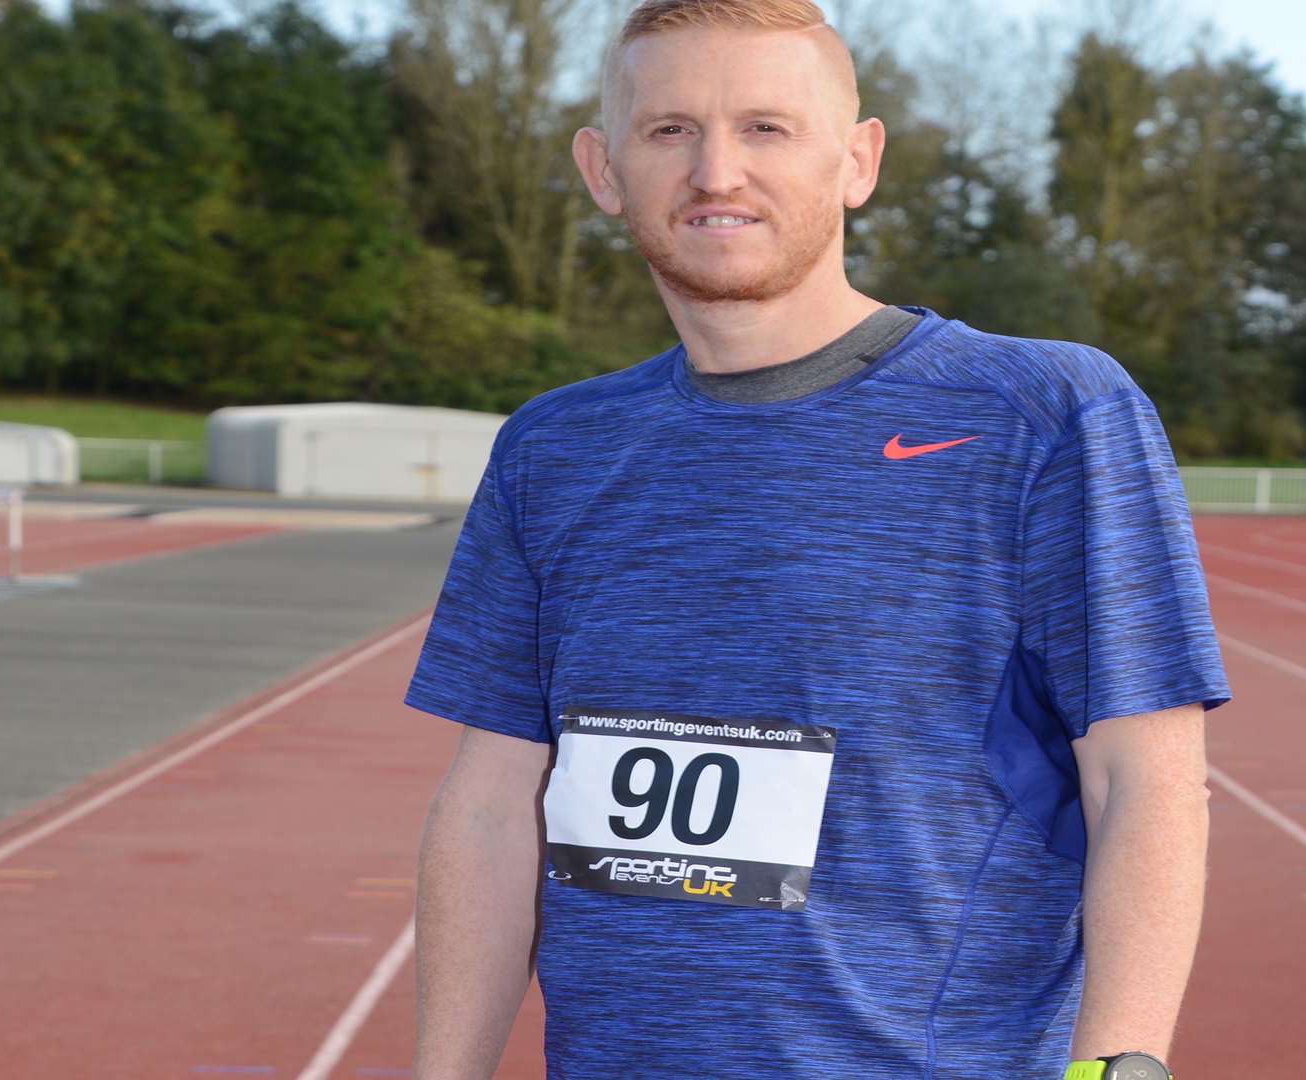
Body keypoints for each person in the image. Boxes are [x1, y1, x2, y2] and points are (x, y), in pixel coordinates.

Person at [403, 1, 1231, 1077]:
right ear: (603, 172)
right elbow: (490, 804)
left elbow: (1148, 783)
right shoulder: (554, 449)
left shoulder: (1044, 412)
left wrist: (1117, 1070)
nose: (715, 171)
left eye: (766, 128)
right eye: (670, 131)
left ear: (857, 160)